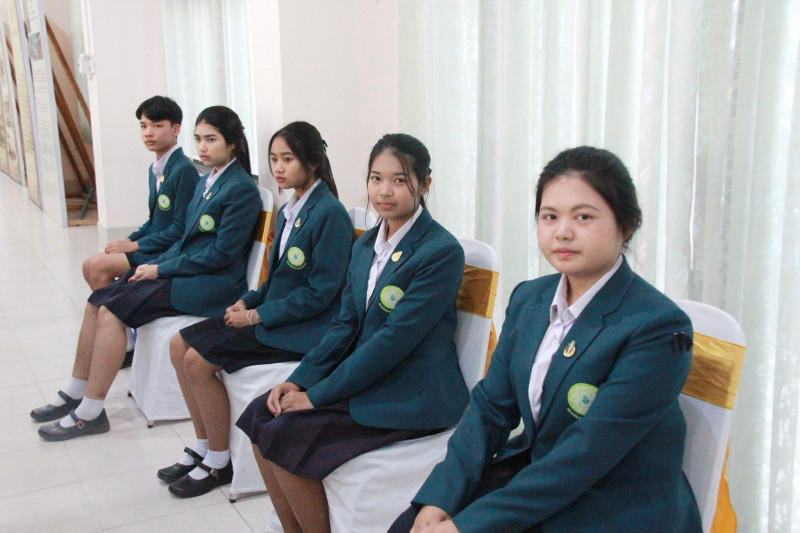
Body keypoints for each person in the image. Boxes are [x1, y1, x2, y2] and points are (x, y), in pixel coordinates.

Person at [390, 146, 702, 533]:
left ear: (626, 224)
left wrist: (465, 527)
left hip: (614, 504)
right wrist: (442, 497)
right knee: (409, 525)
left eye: (583, 217)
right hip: (539, 479)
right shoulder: (530, 299)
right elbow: (491, 410)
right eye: (549, 216)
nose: (562, 231)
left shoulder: (658, 327)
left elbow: (586, 454)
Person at [236, 134, 468, 533]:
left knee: (287, 437)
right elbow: (344, 326)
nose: (384, 191)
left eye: (399, 180)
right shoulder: (365, 247)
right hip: (368, 376)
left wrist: (316, 397)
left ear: (425, 183)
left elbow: (390, 343)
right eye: (376, 179)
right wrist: (299, 380)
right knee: (260, 414)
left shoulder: (440, 251)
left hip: (411, 390)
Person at [31, 106, 262, 442]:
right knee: (98, 301)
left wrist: (161, 268)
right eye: (198, 139)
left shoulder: (240, 188)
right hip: (189, 273)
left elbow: (220, 255)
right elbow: (184, 238)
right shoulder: (208, 180)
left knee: (113, 310)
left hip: (214, 286)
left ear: (233, 143)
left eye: (211, 139)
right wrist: (151, 265)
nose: (202, 147)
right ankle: (75, 389)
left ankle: (90, 412)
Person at [159, 122, 353, 498]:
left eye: (287, 159)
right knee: (178, 344)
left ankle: (219, 461)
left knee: (197, 361)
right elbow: (277, 279)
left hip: (304, 329)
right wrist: (248, 300)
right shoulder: (291, 210)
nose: (278, 168)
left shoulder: (330, 214)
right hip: (275, 315)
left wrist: (256, 316)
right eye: (273, 159)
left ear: (313, 162)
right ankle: (203, 444)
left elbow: (320, 294)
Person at [82, 96, 199, 291]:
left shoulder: (184, 169)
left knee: (96, 267)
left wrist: (136, 245)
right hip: (152, 244)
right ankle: (114, 306)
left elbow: (181, 228)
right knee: (88, 265)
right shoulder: (156, 168)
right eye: (144, 126)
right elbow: (154, 221)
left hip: (168, 250)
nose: (148, 133)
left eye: (157, 126)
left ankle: (115, 307)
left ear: (176, 129)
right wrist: (131, 239)